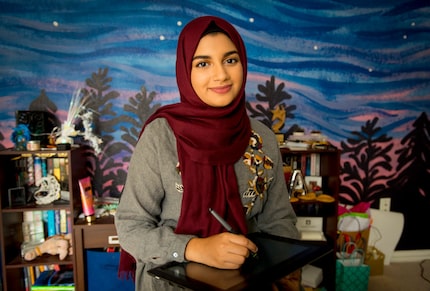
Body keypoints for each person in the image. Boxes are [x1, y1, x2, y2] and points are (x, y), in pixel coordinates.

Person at [114, 15, 300, 290]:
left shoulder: (262, 138)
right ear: (185, 72)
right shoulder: (162, 136)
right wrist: (195, 248)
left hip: (246, 281)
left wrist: (285, 268)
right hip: (170, 284)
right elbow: (130, 227)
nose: (221, 75)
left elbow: (279, 220)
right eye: (203, 63)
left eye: (230, 60)